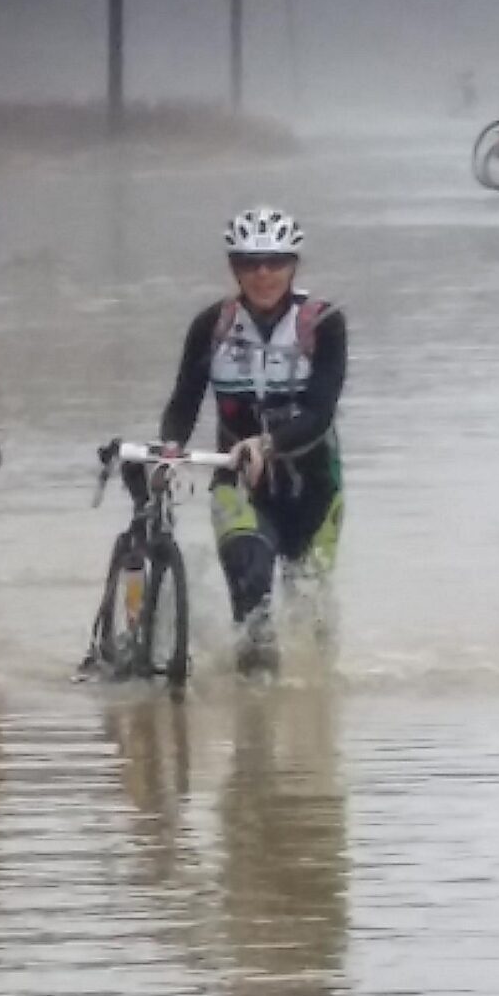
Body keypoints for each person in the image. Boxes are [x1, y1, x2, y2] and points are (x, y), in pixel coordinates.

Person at [154, 207, 348, 675]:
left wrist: (265, 444)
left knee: (309, 614)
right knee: (250, 591)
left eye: (275, 262)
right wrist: (170, 449)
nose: (262, 274)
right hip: (239, 482)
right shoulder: (212, 326)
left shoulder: (322, 324)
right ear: (233, 268)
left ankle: (313, 720)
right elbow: (184, 401)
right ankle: (254, 722)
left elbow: (320, 413)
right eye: (248, 263)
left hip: (314, 484)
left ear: (293, 265)